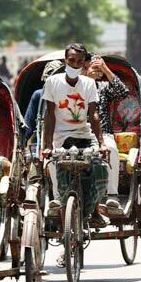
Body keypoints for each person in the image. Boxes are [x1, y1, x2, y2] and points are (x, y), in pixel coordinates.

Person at [42, 43, 109, 229]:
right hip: (61, 138)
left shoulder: (88, 83)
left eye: (79, 61)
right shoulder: (53, 82)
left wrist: (101, 143)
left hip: (84, 135)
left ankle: (94, 210)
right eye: (71, 60)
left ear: (83, 64)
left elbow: (94, 115)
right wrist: (47, 145)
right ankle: (67, 236)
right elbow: (49, 114)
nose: (74, 64)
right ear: (65, 60)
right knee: (63, 185)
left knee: (99, 170)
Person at [84, 54, 129, 211]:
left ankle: (112, 195)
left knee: (111, 150)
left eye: (98, 69)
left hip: (104, 134)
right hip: (79, 134)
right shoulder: (75, 87)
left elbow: (123, 92)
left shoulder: (103, 87)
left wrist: (105, 68)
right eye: (92, 67)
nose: (96, 71)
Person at [24, 60, 64, 141]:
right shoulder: (39, 95)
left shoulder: (74, 93)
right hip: (45, 139)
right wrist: (22, 142)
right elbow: (28, 126)